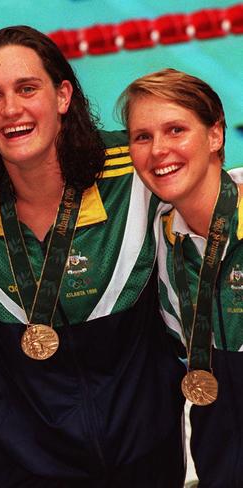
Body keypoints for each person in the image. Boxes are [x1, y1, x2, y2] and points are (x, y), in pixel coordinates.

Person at [0, 26, 186, 486]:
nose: (11, 109)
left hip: (142, 454)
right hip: (26, 459)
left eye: (27, 88)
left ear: (62, 96)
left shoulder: (134, 172)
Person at [118, 67, 243, 487]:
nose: (158, 151)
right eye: (142, 137)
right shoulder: (161, 239)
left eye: (175, 130)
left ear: (215, 136)